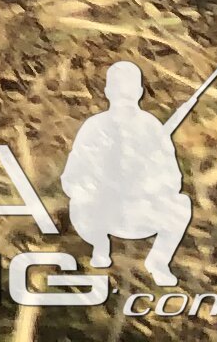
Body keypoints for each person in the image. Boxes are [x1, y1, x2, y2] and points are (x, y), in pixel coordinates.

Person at [61, 63, 193, 287]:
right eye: (118, 90)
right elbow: (71, 177)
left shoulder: (151, 126)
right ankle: (100, 246)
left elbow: (172, 178)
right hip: (101, 211)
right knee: (82, 203)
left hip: (140, 210)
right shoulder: (94, 126)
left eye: (130, 90)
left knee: (181, 204)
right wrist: (93, 185)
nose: (124, 96)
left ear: (140, 92)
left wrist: (149, 184)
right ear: (107, 92)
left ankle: (158, 261)